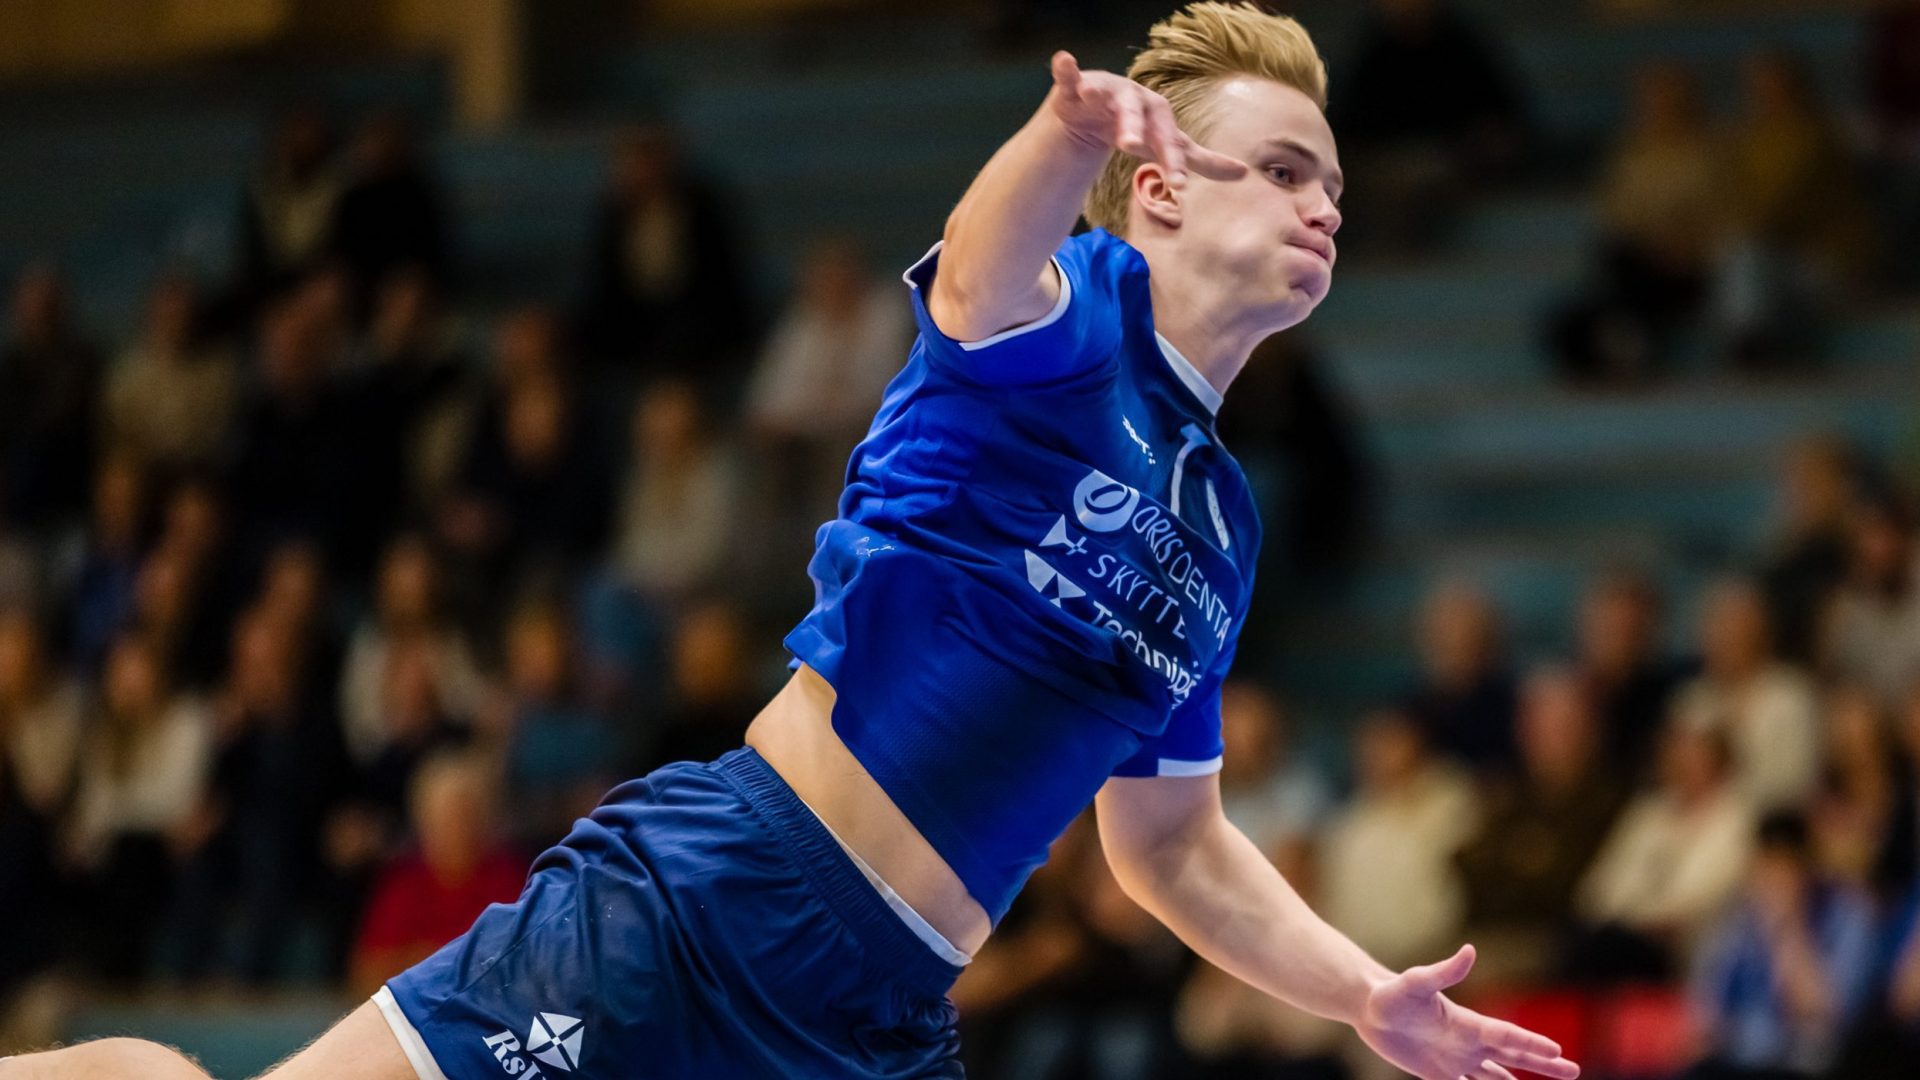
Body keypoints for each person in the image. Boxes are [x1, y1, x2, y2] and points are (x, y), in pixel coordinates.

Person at [3, 6, 1578, 1080]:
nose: (1324, 204)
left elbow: (1170, 846)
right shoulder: (1072, 317)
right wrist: (1060, 132)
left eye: (1335, 184)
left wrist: (1359, 994)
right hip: (714, 909)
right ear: (1158, 189)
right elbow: (982, 265)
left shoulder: (1222, 521)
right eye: (1288, 169)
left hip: (881, 1016)